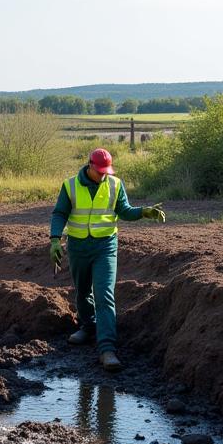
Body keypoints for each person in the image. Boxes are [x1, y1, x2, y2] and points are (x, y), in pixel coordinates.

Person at [49, 147, 165, 372]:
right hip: (78, 246)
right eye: (99, 171)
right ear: (89, 165)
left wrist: (143, 212)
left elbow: (124, 210)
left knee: (104, 294)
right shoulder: (70, 185)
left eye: (106, 171)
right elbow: (59, 213)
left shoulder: (115, 184)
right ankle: (87, 326)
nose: (103, 175)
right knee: (83, 291)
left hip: (105, 246)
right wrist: (55, 239)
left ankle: (107, 349)